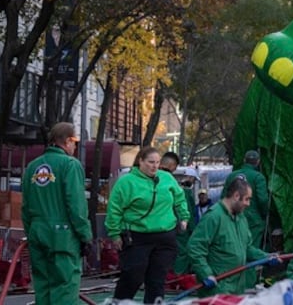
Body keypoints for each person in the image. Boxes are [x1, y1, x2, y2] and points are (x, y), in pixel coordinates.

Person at [106, 146, 190, 303]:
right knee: (132, 276)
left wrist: (184, 218)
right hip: (138, 237)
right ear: (140, 161)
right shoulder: (126, 182)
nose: (155, 166)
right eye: (151, 162)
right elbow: (114, 209)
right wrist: (115, 234)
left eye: (157, 162)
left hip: (165, 237)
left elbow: (179, 198)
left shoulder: (166, 178)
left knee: (157, 280)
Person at [23, 122, 94, 305]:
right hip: (63, 234)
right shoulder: (70, 164)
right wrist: (85, 236)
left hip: (37, 232)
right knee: (65, 286)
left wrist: (31, 232)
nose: (75, 147)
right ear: (68, 141)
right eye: (75, 142)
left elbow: (25, 206)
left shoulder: (32, 167)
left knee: (43, 286)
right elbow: (76, 205)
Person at [187, 175, 269, 296]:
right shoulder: (213, 217)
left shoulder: (241, 218)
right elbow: (195, 247)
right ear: (236, 196)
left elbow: (247, 248)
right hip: (218, 289)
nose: (248, 204)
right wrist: (205, 273)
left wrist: (266, 257)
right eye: (247, 199)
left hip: (236, 289)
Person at [225, 150, 269, 249]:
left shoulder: (232, 176)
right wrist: (264, 214)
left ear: (244, 160)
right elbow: (263, 200)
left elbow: (224, 197)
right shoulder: (258, 177)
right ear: (258, 162)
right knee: (251, 248)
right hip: (253, 219)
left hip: (232, 217)